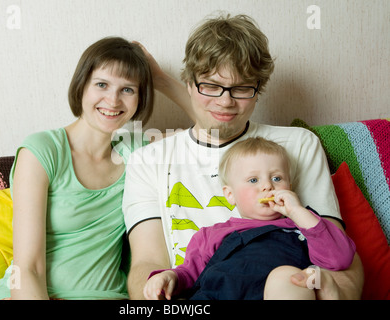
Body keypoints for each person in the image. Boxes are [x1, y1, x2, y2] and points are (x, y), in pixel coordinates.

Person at [123, 13, 364, 299]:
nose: (225, 101)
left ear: (258, 90)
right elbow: (146, 263)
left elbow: (338, 256)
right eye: (210, 86)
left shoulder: (296, 144)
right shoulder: (147, 160)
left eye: (241, 89)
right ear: (189, 84)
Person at [0, 37, 156, 300]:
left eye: (128, 89)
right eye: (102, 84)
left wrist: (160, 78)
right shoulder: (42, 150)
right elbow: (27, 267)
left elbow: (212, 134)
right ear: (82, 87)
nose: (113, 100)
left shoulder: (136, 153)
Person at [143, 137, 356, 300]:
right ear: (230, 195)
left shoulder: (305, 225)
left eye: (277, 178)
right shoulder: (212, 234)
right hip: (216, 293)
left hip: (277, 290)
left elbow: (341, 259)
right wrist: (169, 277)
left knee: (289, 278)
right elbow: (189, 273)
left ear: (289, 187)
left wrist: (299, 212)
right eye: (253, 179)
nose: (267, 186)